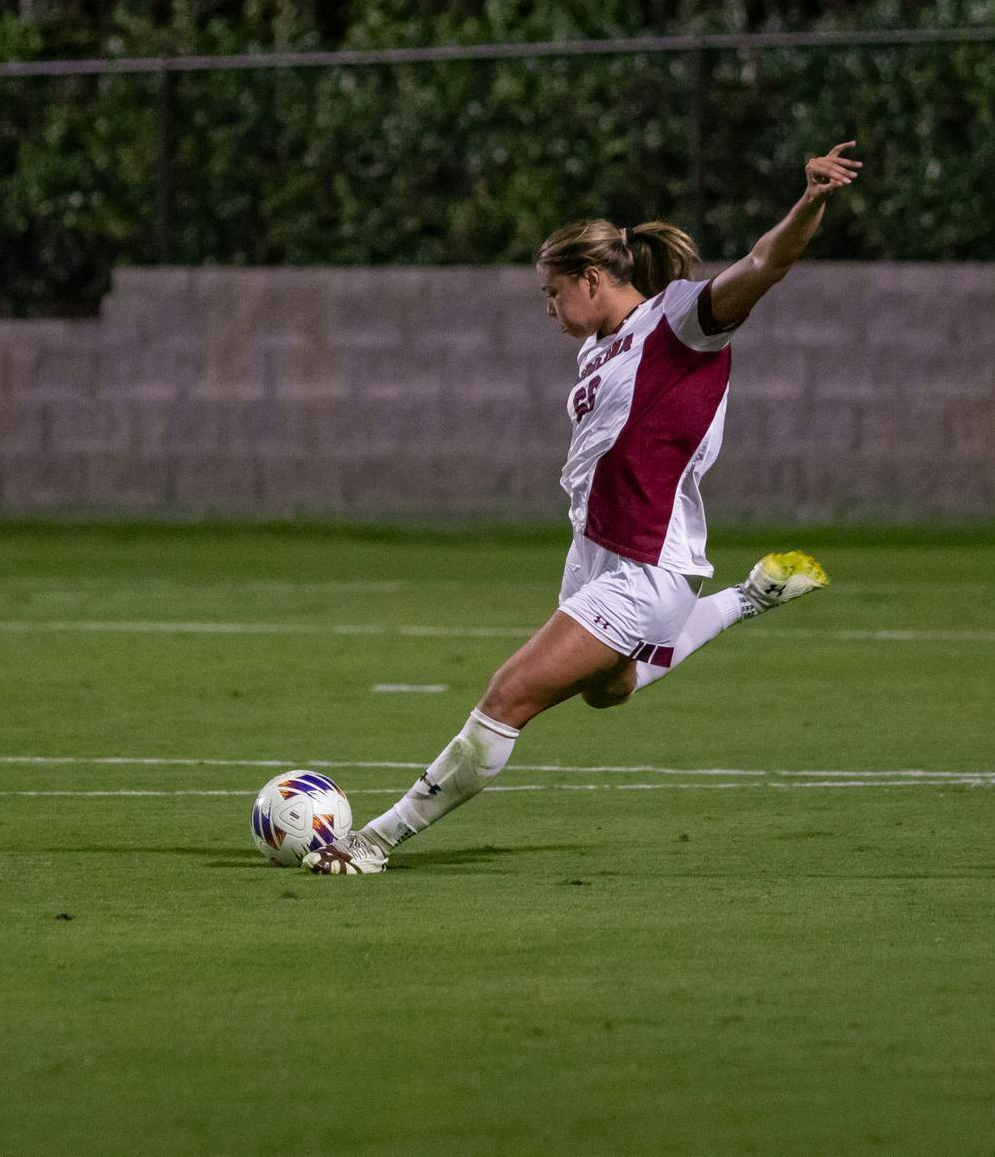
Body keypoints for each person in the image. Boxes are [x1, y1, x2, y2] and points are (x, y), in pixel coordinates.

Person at [304, 140, 865, 874]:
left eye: (553, 293)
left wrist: (810, 202)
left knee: (508, 697)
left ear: (592, 278)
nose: (549, 308)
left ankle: (374, 842)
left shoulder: (680, 323)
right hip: (597, 557)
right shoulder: (600, 347)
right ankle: (744, 599)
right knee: (611, 690)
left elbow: (764, 265)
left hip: (645, 570)